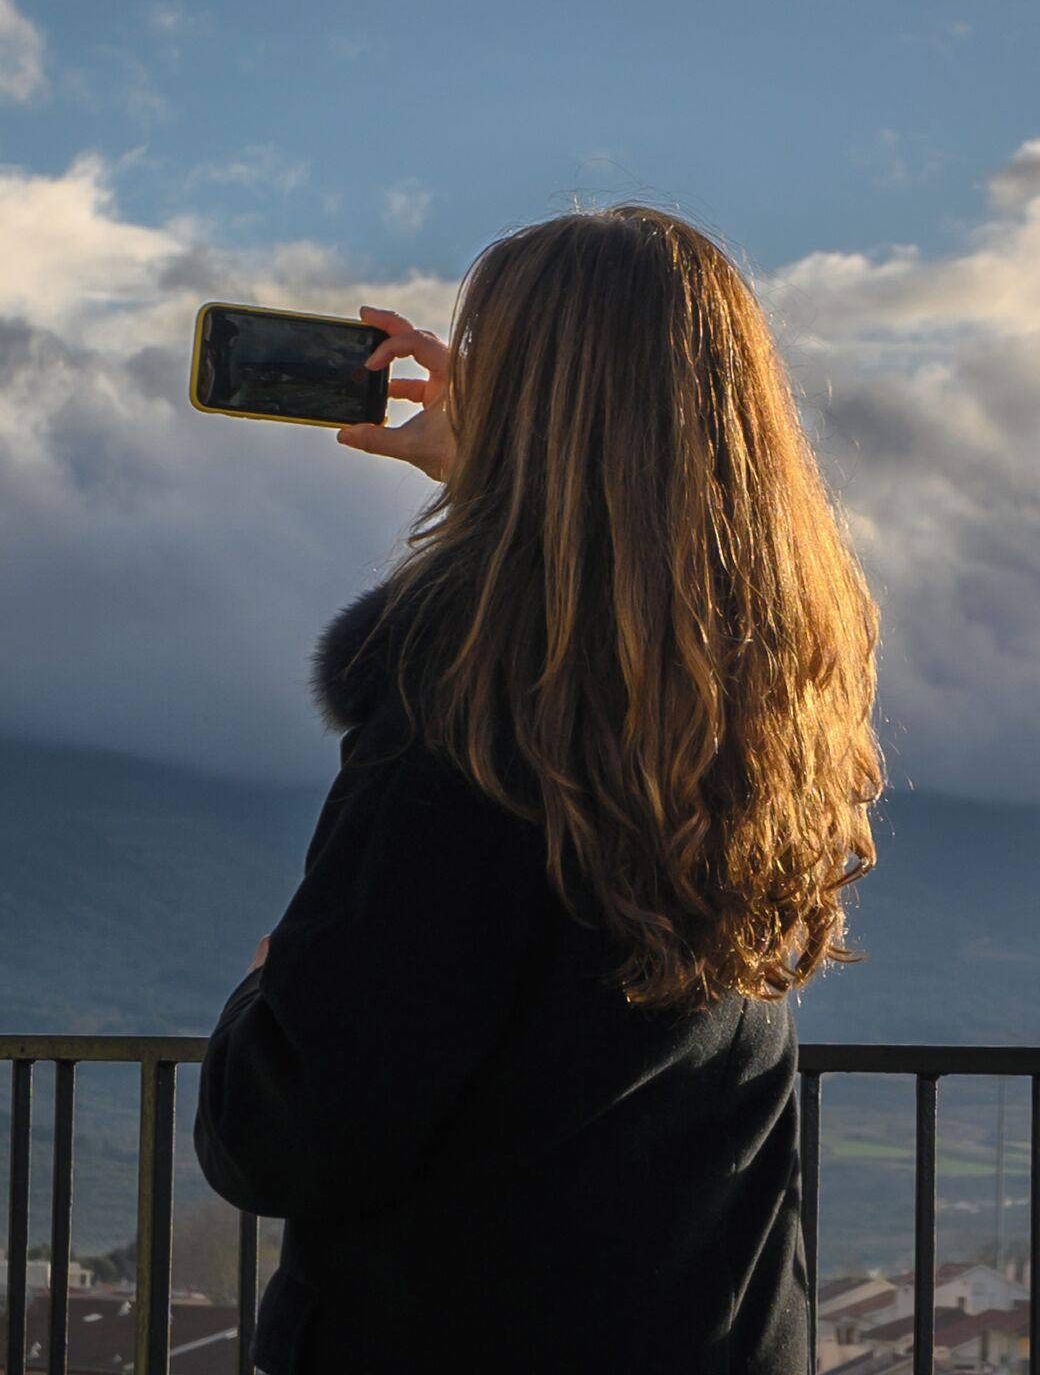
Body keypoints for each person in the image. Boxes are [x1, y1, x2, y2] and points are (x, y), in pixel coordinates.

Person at [194, 205, 883, 1374]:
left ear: (526, 409)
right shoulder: (757, 707)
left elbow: (301, 1128)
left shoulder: (466, 723)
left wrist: (267, 996)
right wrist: (501, 469)